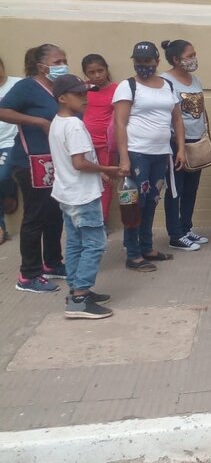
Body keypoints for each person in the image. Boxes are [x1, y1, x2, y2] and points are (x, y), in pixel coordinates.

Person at [49, 74, 123, 319]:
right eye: (78, 95)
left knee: (75, 243)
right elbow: (80, 163)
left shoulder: (57, 122)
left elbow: (75, 163)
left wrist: (99, 175)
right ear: (62, 98)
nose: (85, 99)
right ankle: (80, 298)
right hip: (82, 196)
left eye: (85, 93)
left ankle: (76, 289)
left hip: (67, 193)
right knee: (95, 243)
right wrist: (106, 169)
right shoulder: (75, 125)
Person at [0, 44, 68, 292]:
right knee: (35, 217)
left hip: (55, 160)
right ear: (41, 66)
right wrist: (37, 121)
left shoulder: (58, 88)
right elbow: (3, 110)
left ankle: (52, 263)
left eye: (64, 60)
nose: (63, 64)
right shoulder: (27, 87)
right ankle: (28, 275)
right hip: (31, 161)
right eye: (58, 61)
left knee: (54, 213)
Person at [113, 41, 185, 273]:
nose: (143, 65)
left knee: (152, 200)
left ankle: (147, 247)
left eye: (147, 61)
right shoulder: (128, 86)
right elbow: (120, 123)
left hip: (161, 153)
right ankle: (133, 253)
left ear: (157, 61)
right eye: (139, 61)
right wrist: (124, 158)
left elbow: (177, 119)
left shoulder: (167, 86)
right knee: (135, 204)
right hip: (137, 154)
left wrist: (181, 148)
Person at [160, 40, 209, 251]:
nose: (194, 59)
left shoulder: (195, 79)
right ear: (176, 59)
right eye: (190, 55)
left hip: (196, 141)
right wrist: (175, 141)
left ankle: (186, 227)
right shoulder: (165, 81)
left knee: (191, 188)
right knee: (175, 189)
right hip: (176, 143)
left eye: (195, 54)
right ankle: (175, 234)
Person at [81, 54, 117, 222]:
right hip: (83, 143)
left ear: (107, 69)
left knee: (105, 182)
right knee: (85, 181)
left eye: (100, 70)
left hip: (105, 145)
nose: (96, 75)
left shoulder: (117, 89)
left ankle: (101, 221)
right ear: (85, 73)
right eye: (91, 72)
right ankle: (86, 219)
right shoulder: (82, 89)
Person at [0, 57, 23, 245]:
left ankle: (10, 191)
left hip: (10, 141)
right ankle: (1, 228)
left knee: (2, 176)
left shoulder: (17, 84)